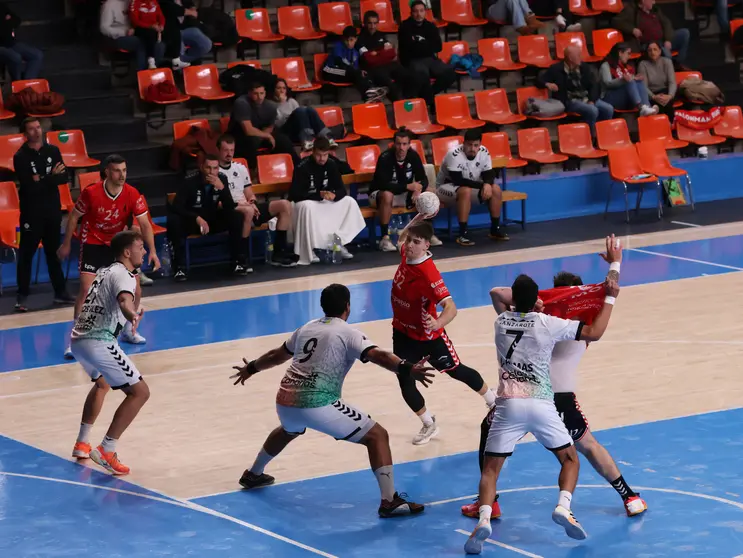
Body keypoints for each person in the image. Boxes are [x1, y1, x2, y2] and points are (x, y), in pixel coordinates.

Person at [462, 237, 647, 521]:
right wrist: (614, 265)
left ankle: (488, 504)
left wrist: (545, 301)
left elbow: (498, 292)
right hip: (549, 399)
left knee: (493, 442)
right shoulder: (566, 324)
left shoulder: (531, 320)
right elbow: (602, 310)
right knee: (586, 448)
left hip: (524, 398)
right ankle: (629, 496)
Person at [233, 283, 433, 517]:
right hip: (317, 402)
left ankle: (253, 473)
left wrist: (251, 368)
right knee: (377, 435)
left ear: (323, 306)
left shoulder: (306, 327)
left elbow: (275, 355)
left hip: (285, 399)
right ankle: (389, 500)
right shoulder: (348, 332)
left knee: (289, 430)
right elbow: (378, 355)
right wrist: (407, 368)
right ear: (348, 306)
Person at [464, 267, 621, 555]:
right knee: (570, 460)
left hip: (508, 406)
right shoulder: (548, 323)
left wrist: (530, 301)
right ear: (537, 299)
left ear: (515, 301)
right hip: (541, 404)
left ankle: (484, 518)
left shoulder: (501, 321)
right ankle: (563, 507)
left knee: (490, 469)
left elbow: (496, 293)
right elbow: (594, 333)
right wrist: (609, 298)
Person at [391, 214, 496, 445]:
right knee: (405, 379)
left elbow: (451, 307)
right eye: (410, 240)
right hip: (402, 333)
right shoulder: (406, 252)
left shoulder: (428, 274)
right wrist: (420, 216)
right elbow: (401, 236)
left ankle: (493, 401)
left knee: (456, 370)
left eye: (416, 242)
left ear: (426, 245)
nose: (409, 245)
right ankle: (429, 423)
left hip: (428, 337)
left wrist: (438, 323)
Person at [58, 155, 160, 359]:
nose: (121, 175)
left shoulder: (132, 194)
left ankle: (128, 330)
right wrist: (67, 243)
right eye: (117, 171)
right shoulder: (91, 193)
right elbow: (74, 217)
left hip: (118, 244)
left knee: (136, 289)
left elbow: (145, 224)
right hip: (93, 242)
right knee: (87, 290)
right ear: (107, 172)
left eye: (124, 170)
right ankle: (75, 339)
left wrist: (154, 252)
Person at [70, 230, 152, 476]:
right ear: (127, 252)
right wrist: (132, 315)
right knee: (140, 392)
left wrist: (128, 313)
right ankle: (107, 448)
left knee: (102, 384)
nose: (145, 251)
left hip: (78, 340)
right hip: (99, 341)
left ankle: (82, 443)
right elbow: (125, 301)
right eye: (141, 246)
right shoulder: (124, 275)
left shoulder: (104, 271)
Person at [13, 118, 74, 312]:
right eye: (31, 129)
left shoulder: (53, 151)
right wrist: (50, 178)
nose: (36, 131)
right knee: (27, 254)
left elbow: (64, 177)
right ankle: (22, 296)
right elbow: (30, 187)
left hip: (52, 210)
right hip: (31, 212)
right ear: (25, 133)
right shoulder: (20, 156)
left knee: (52, 253)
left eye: (38, 127)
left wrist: (42, 179)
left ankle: (60, 292)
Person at [216, 134, 298, 269]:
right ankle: (242, 257)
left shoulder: (240, 168)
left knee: (284, 205)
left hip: (247, 205)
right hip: (231, 208)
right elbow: (219, 200)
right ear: (219, 150)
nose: (229, 154)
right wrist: (245, 205)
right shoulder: (215, 171)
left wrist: (252, 201)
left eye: (232, 150)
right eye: (226, 150)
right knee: (248, 211)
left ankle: (279, 253)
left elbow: (248, 191)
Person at [167, 154, 250, 280]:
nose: (212, 172)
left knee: (236, 217)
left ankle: (237, 262)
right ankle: (179, 268)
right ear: (201, 167)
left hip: (212, 220)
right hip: (192, 221)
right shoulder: (189, 181)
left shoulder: (221, 179)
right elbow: (177, 207)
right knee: (175, 221)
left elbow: (229, 207)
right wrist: (196, 218)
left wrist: (222, 189)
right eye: (208, 168)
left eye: (215, 168)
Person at [288, 137, 366, 265]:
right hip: (306, 201)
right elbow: (295, 194)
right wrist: (318, 195)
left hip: (325, 200)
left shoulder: (331, 164)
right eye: (319, 155)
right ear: (312, 152)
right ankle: (308, 249)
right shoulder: (302, 167)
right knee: (307, 207)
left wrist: (334, 195)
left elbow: (341, 189)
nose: (322, 159)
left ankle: (339, 242)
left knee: (349, 201)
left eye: (325, 155)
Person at [436, 129, 508, 247]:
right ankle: (462, 234)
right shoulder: (454, 154)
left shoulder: (484, 152)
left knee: (495, 189)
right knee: (465, 191)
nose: (472, 148)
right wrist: (484, 185)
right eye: (469, 145)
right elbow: (458, 180)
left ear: (479, 145)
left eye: (476, 145)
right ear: (464, 143)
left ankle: (495, 229)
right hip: (444, 188)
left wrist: (488, 184)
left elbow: (489, 174)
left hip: (468, 187)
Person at [370, 127, 437, 252]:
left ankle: (427, 234)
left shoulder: (413, 156)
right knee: (387, 195)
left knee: (429, 192)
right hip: (379, 195)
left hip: (402, 193)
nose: (401, 147)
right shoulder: (385, 158)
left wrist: (418, 189)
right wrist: (408, 187)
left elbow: (423, 179)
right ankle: (385, 238)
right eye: (399, 144)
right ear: (394, 144)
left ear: (409, 144)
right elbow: (383, 184)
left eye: (404, 144)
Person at [538, 46, 614, 138]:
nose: (581, 57)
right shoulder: (556, 69)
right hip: (570, 100)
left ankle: (603, 136)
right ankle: (590, 138)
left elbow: (594, 85)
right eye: (578, 55)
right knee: (592, 110)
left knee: (608, 109)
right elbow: (539, 80)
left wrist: (592, 100)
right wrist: (547, 84)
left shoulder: (585, 67)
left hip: (586, 98)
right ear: (570, 57)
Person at [357, 10, 427, 103]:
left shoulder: (381, 35)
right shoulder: (360, 40)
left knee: (414, 78)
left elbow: (391, 53)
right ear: (364, 23)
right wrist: (382, 53)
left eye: (375, 23)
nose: (372, 26)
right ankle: (400, 105)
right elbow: (369, 59)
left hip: (390, 65)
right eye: (370, 23)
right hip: (374, 69)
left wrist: (376, 53)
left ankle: (407, 101)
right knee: (390, 86)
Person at [398, 1, 456, 107]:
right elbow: (407, 49)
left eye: (421, 11)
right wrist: (427, 45)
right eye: (415, 11)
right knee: (423, 77)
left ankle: (427, 96)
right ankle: (430, 103)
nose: (419, 14)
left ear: (425, 12)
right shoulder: (405, 26)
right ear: (411, 13)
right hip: (413, 60)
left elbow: (438, 47)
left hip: (430, 59)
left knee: (450, 73)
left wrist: (418, 44)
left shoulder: (430, 26)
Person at [227, 82, 299, 168]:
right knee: (253, 141)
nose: (259, 97)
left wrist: (265, 135)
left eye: (261, 93)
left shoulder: (271, 106)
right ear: (249, 93)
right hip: (239, 136)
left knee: (283, 139)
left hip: (260, 134)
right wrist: (267, 136)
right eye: (255, 93)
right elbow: (248, 130)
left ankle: (297, 166)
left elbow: (270, 126)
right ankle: (252, 171)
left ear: (265, 93)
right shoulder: (241, 103)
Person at [612, 0, 690, 64]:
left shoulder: (655, 9)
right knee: (666, 54)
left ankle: (678, 63)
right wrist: (632, 29)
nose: (654, 2)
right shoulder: (632, 10)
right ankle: (668, 69)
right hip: (648, 44)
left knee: (684, 33)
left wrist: (668, 40)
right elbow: (616, 21)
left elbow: (666, 23)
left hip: (662, 40)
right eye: (651, 0)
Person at [322, 26, 385, 103]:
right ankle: (369, 93)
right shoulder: (338, 46)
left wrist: (360, 72)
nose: (348, 43)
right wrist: (356, 72)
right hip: (330, 71)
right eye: (346, 40)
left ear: (356, 39)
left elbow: (354, 69)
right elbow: (340, 63)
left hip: (344, 73)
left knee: (363, 74)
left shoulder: (355, 52)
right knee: (355, 73)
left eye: (351, 40)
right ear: (343, 39)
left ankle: (370, 94)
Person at [273, 79, 335, 152]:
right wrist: (282, 104)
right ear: (274, 90)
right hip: (284, 133)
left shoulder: (291, 101)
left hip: (298, 131)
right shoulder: (271, 104)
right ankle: (307, 140)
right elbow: (277, 124)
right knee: (300, 110)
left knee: (309, 109)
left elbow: (301, 117)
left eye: (284, 88)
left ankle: (327, 138)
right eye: (279, 88)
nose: (282, 91)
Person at [100, 0, 164, 70]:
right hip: (118, 37)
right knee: (140, 42)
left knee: (159, 44)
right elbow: (104, 28)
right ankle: (142, 73)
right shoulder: (109, 4)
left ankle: (153, 72)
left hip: (137, 31)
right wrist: (125, 32)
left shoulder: (132, 2)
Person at [600, 43, 658, 116]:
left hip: (625, 98)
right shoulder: (606, 65)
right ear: (620, 53)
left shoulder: (626, 67)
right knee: (630, 80)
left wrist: (653, 96)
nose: (630, 56)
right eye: (628, 53)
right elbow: (607, 83)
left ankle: (647, 107)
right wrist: (623, 79)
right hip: (609, 98)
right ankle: (641, 107)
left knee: (638, 81)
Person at [0, 3, 43, 80]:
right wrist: (6, 22)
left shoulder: (1, 6)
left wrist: (7, 23)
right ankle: (17, 84)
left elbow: (17, 20)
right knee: (16, 58)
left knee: (37, 55)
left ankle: (26, 86)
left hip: (11, 43)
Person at [637, 41, 677, 119]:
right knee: (663, 103)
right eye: (650, 50)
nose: (652, 52)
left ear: (660, 51)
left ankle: (663, 120)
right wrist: (653, 96)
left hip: (667, 92)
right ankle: (669, 124)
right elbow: (643, 86)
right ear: (647, 52)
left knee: (666, 101)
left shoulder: (667, 62)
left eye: (655, 49)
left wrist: (670, 96)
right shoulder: (643, 64)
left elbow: (672, 82)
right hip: (652, 94)